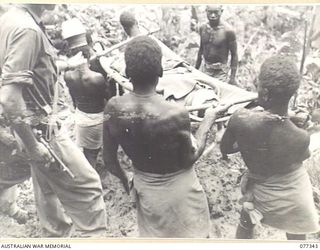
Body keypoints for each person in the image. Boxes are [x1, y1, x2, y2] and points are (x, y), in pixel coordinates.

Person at [103, 35, 230, 237]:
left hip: (146, 189)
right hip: (181, 192)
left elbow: (109, 161)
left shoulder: (113, 108)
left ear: (126, 72)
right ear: (161, 71)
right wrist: (208, 120)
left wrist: (127, 179)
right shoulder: (176, 113)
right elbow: (190, 157)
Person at [0, 4, 106, 237]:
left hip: (30, 129)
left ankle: (55, 237)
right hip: (41, 132)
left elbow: (33, 68)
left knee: (48, 198)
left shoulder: (12, 19)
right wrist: (33, 146)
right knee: (88, 191)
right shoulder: (27, 29)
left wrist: (68, 64)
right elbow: (8, 98)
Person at [220, 55, 320, 240]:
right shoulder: (300, 137)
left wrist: (245, 143)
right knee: (297, 232)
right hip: (293, 193)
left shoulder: (240, 119)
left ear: (265, 93)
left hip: (258, 190)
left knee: (246, 219)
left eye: (258, 84)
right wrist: (294, 122)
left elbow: (225, 148)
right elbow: (299, 155)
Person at [62, 18, 112, 168]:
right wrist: (109, 82)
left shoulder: (68, 75)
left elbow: (73, 98)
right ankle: (90, 184)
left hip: (80, 116)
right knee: (92, 155)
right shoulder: (97, 78)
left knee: (86, 151)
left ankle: (87, 175)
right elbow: (108, 100)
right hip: (95, 119)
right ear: (88, 51)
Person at [195, 5, 238, 85]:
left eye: (216, 12)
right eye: (210, 12)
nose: (213, 15)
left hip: (221, 71)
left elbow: (234, 55)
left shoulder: (228, 31)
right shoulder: (202, 28)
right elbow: (201, 49)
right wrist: (196, 69)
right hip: (205, 69)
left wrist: (232, 78)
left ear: (221, 11)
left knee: (219, 94)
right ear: (206, 11)